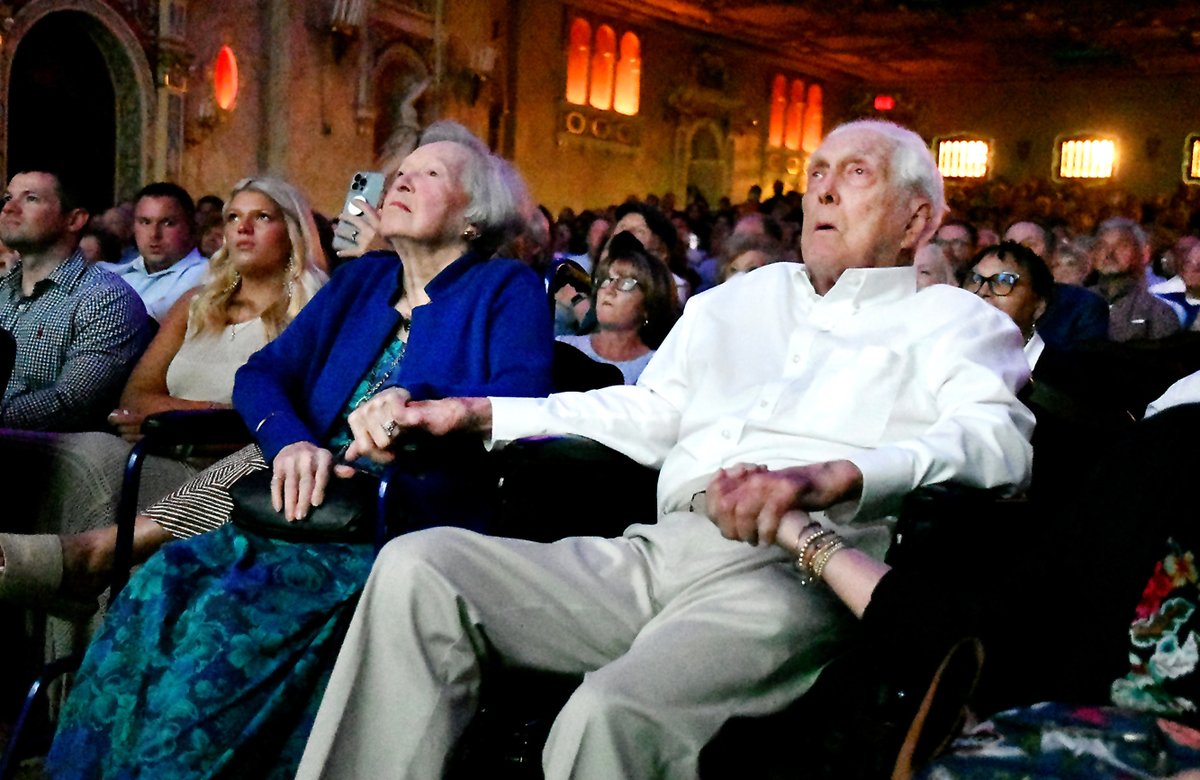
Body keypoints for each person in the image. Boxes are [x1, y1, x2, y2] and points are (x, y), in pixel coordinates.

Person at [294, 119, 1033, 779]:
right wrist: (475, 412)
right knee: (419, 567)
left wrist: (831, 477)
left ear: (920, 218)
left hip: (793, 574)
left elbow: (996, 446)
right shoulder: (737, 302)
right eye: (816, 175)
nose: (824, 193)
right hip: (657, 550)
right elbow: (647, 410)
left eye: (856, 174)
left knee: (609, 712)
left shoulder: (952, 323)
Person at [46, 120, 554, 779]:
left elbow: (524, 404)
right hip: (295, 498)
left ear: (473, 216)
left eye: (430, 174)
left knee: (226, 620)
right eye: (402, 171)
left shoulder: (505, 290)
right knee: (159, 586)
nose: (402, 179)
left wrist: (419, 406)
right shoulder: (363, 281)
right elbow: (263, 375)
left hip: (394, 520)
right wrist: (289, 444)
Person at [0, 176, 329, 610]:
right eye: (233, 218)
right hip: (164, 451)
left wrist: (194, 422)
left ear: (291, 229)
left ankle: (81, 576)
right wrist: (198, 417)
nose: (242, 229)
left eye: (261, 217)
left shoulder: (315, 308)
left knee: (94, 460)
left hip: (239, 468)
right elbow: (137, 396)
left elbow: (298, 415)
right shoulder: (197, 301)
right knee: (69, 457)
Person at [0, 169, 152, 431]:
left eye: (31, 199)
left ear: (74, 219)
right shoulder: (2, 288)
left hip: (49, 454)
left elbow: (72, 404)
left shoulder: (105, 298)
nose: (9, 209)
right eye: (7, 198)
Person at [555, 232, 678, 384]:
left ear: (650, 302)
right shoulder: (562, 348)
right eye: (606, 280)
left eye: (626, 283)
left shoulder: (658, 366)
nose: (609, 289)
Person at [100, 182, 208, 321]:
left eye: (168, 223)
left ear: (192, 227)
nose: (154, 234)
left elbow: (146, 319)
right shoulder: (112, 274)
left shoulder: (207, 275)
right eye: (145, 222)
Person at [1089, 217, 1180, 342]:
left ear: (1144, 254)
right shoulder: (1074, 304)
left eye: (1122, 246)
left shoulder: (1157, 313)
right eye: (1102, 246)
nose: (1109, 253)